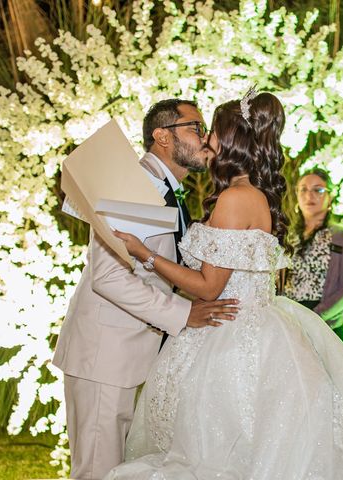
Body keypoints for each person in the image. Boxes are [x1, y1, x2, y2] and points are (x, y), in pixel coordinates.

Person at [108, 91, 343, 479]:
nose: (207, 139)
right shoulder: (257, 195)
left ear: (229, 141)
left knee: (221, 450)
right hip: (259, 327)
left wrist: (145, 253)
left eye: (213, 131)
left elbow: (209, 287)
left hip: (230, 336)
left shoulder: (234, 199)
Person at [52, 99, 239, 480]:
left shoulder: (171, 191)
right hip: (105, 354)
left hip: (136, 353)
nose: (205, 139)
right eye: (196, 128)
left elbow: (158, 270)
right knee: (97, 471)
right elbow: (109, 277)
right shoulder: (132, 185)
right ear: (162, 136)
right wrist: (184, 314)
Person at [283, 169, 343, 344]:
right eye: (303, 189)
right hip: (290, 326)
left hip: (326, 325)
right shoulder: (286, 237)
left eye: (318, 190)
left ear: (330, 197)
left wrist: (314, 318)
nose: (309, 195)